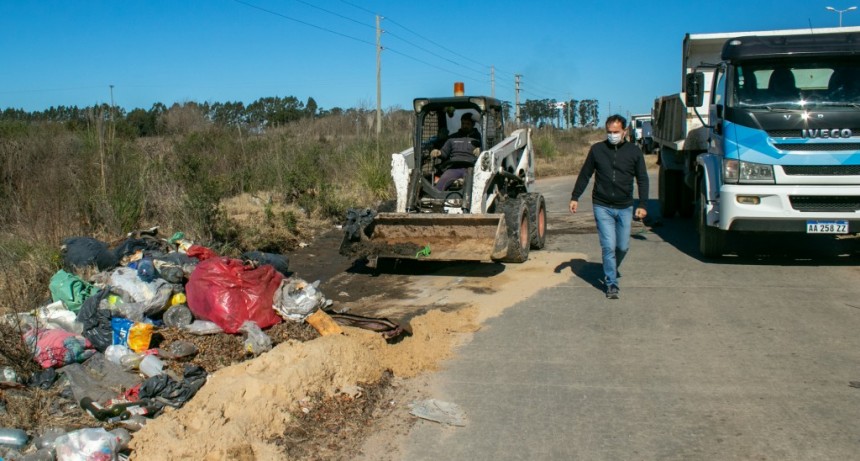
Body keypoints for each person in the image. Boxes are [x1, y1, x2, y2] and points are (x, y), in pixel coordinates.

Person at [569, 114, 648, 299]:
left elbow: (642, 179)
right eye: (609, 132)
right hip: (602, 205)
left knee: (622, 246)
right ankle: (611, 283)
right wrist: (575, 197)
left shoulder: (634, 152)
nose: (612, 135)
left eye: (616, 132)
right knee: (608, 246)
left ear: (625, 131)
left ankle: (610, 266)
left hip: (625, 206)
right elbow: (585, 174)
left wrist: (643, 203)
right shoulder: (597, 150)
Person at [430, 112, 481, 191]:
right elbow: (444, 152)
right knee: (442, 182)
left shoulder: (479, 138)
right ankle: (436, 200)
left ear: (473, 124)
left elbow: (488, 152)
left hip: (471, 168)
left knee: (473, 186)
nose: (465, 126)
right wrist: (438, 152)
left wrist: (481, 150)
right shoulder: (452, 138)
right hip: (454, 167)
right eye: (463, 123)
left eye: (467, 124)